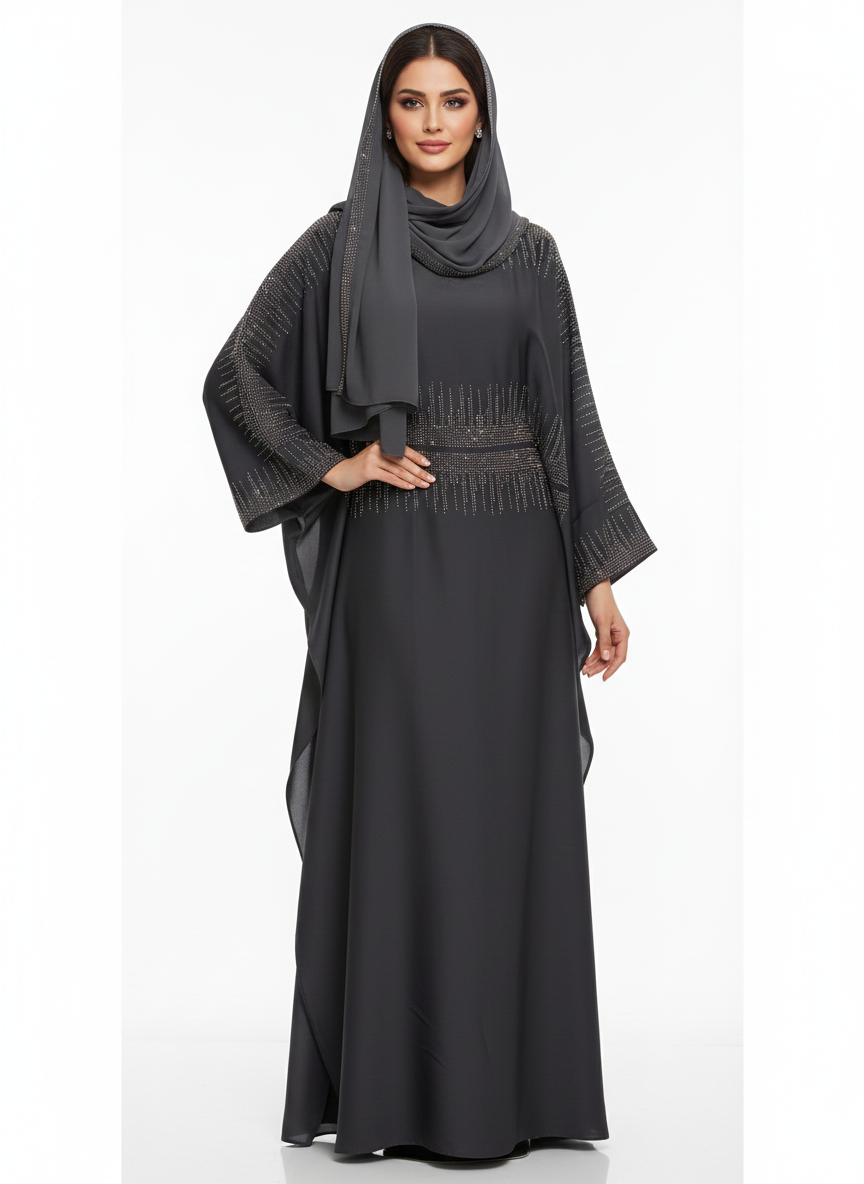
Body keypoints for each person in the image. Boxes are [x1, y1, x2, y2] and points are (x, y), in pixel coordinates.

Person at [203, 22, 656, 1164]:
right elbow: (236, 375)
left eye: (454, 100)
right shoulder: (342, 245)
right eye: (413, 101)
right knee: (410, 814)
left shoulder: (533, 256)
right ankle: (401, 1095)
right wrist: (334, 465)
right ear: (386, 115)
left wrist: (597, 579)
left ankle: (520, 1093)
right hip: (399, 578)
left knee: (505, 822)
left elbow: (568, 421)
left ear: (482, 114)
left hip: (516, 585)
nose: (435, 121)